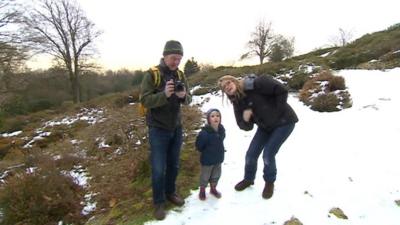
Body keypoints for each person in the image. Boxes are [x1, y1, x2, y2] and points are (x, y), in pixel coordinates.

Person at [217, 74, 298, 199]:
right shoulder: (237, 102)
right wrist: (246, 119)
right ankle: (248, 179)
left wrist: (277, 112)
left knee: (268, 154)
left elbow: (281, 90)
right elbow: (245, 127)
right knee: (251, 154)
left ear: (234, 80)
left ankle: (269, 182)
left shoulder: (257, 83)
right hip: (265, 127)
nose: (227, 87)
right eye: (224, 87)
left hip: (284, 122)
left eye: (228, 83)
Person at [140, 40, 192, 220]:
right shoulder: (152, 75)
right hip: (158, 129)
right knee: (158, 167)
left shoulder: (181, 75)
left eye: (179, 59)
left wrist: (184, 96)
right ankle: (159, 202)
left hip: (176, 127)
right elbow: (145, 100)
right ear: (164, 56)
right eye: (173, 58)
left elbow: (189, 99)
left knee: (174, 164)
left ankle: (170, 192)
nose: (176, 62)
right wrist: (165, 95)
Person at [195, 108, 226, 200]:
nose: (215, 118)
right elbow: (199, 145)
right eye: (212, 116)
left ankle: (213, 188)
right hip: (207, 160)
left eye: (217, 116)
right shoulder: (205, 133)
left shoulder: (221, 130)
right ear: (208, 119)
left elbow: (222, 139)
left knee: (216, 175)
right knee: (205, 176)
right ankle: (202, 190)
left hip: (218, 158)